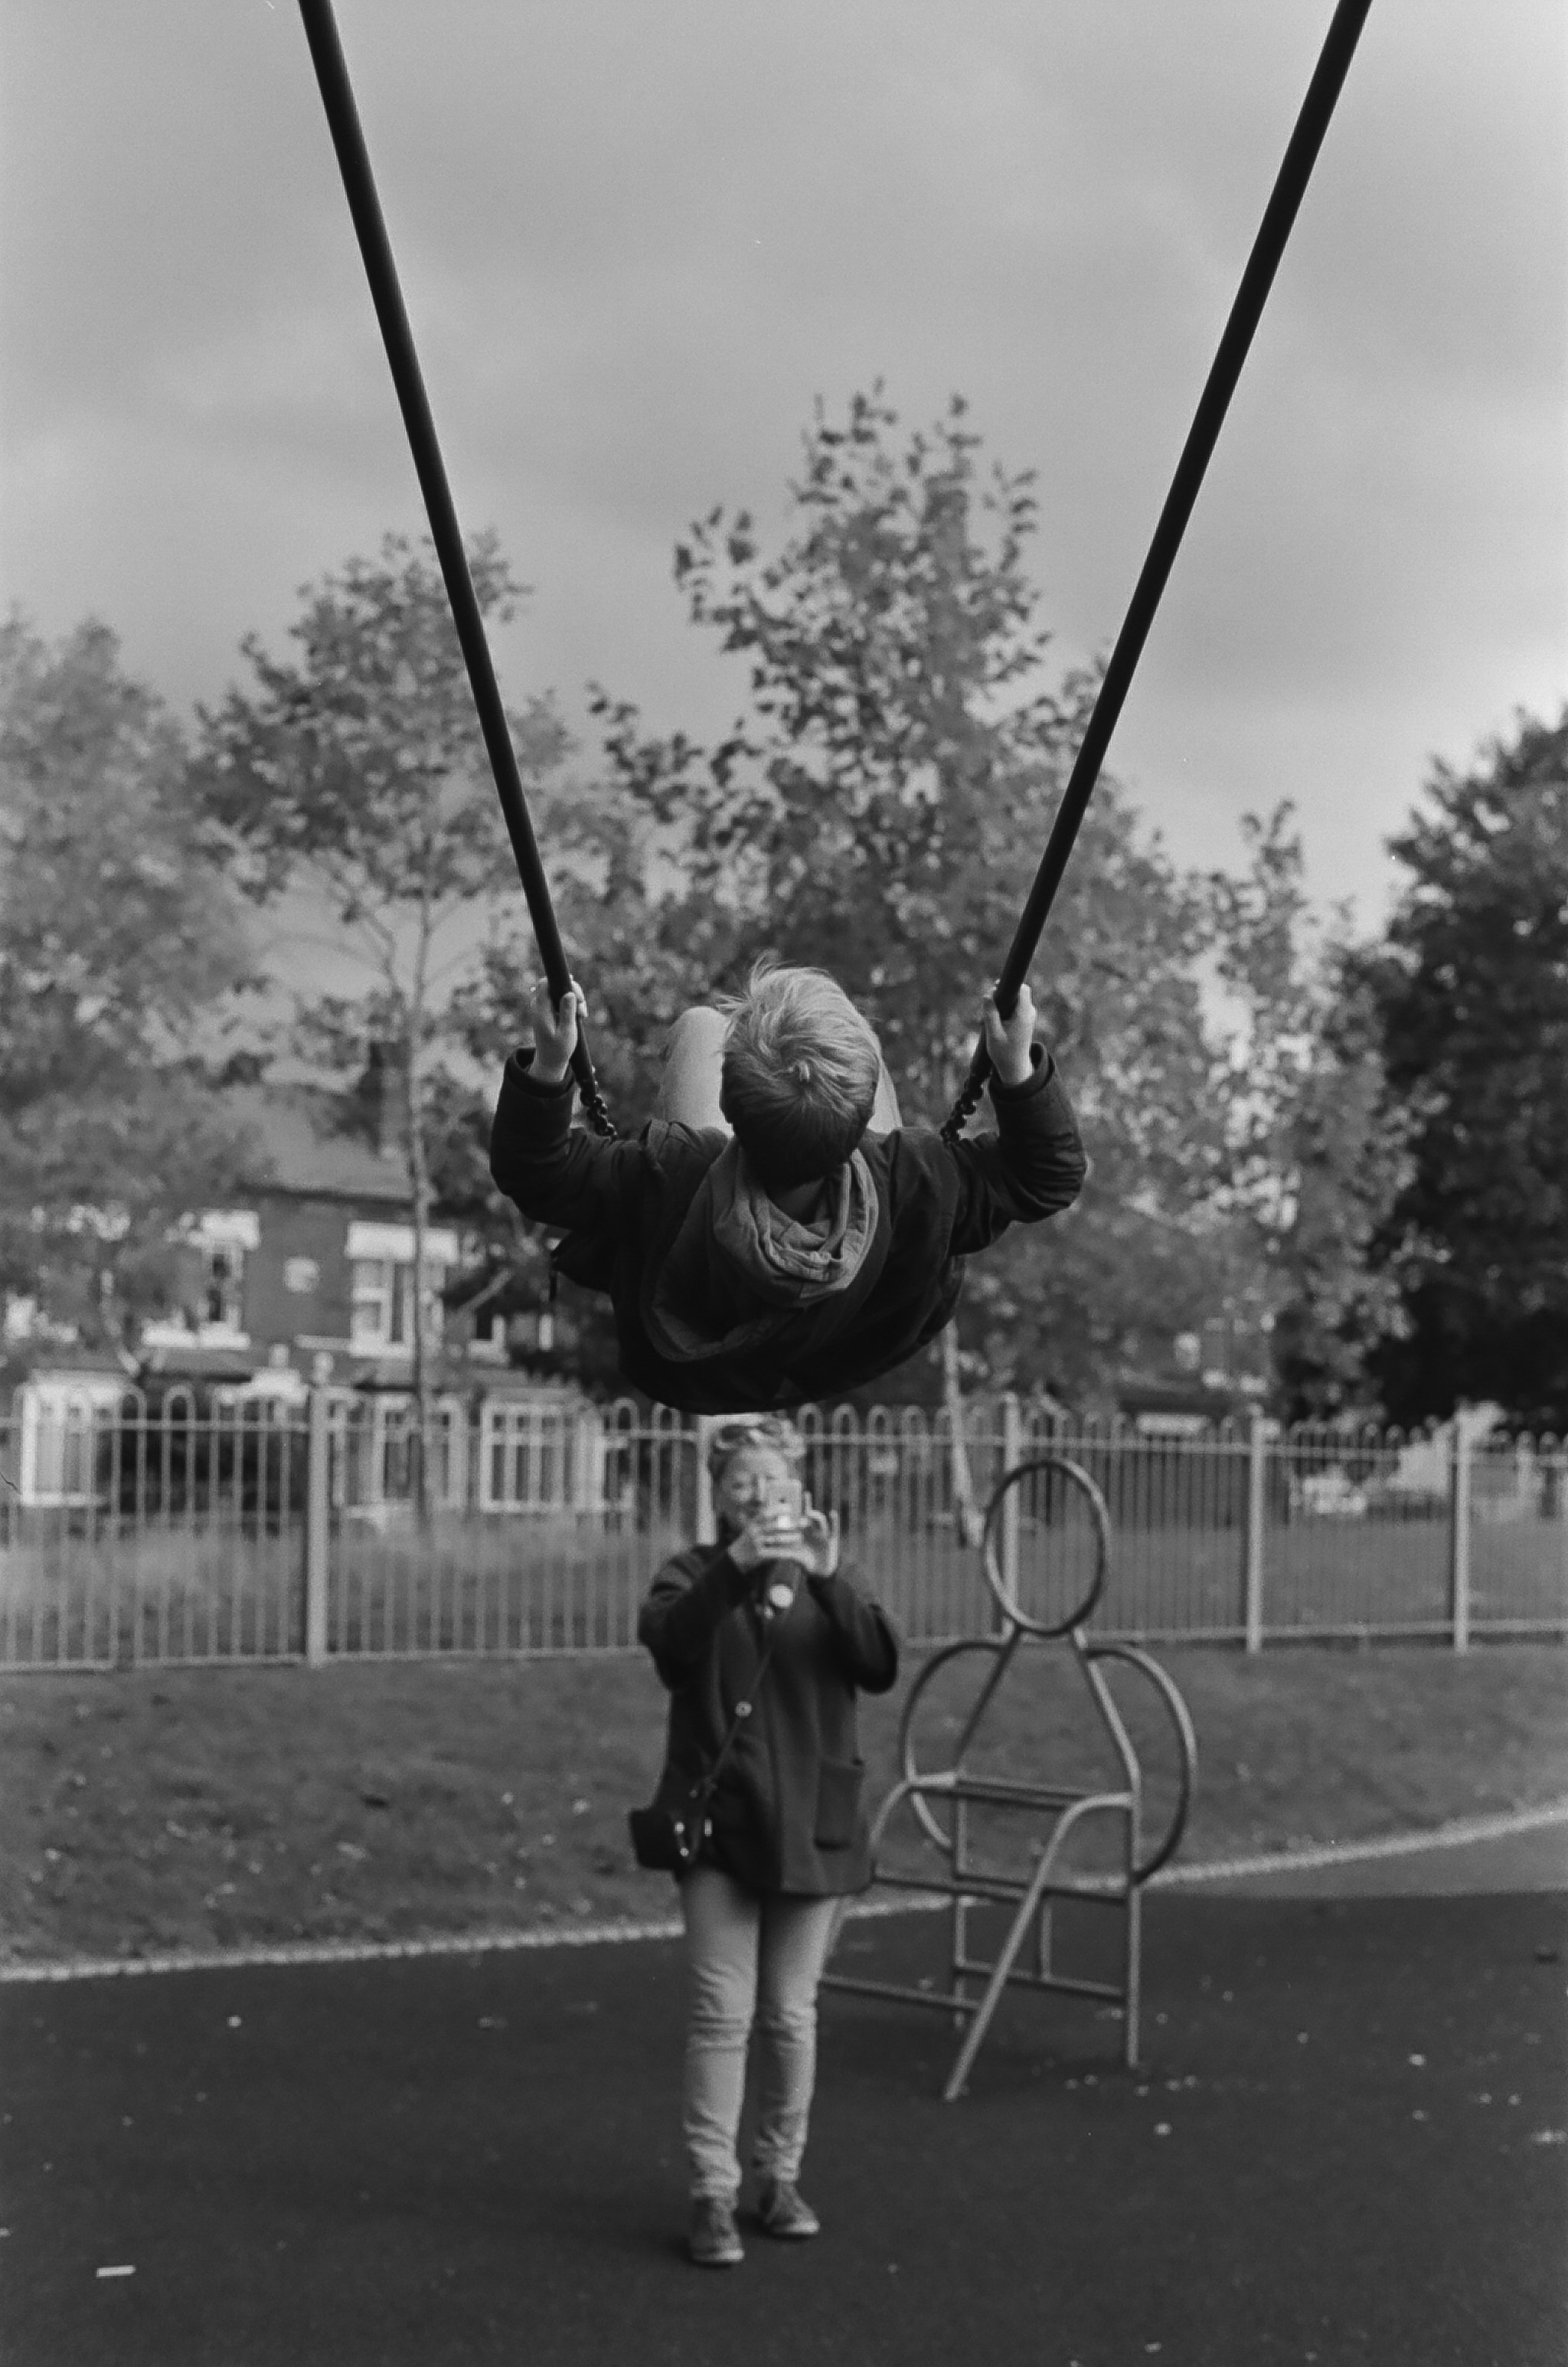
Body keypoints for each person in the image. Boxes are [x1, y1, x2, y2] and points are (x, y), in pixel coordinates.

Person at [488, 960, 1087, 1412]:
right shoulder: (914, 1181)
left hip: (695, 1369)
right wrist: (1015, 1066)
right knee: (854, 1042)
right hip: (848, 1346)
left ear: (727, 1104)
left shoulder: (673, 1173)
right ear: (863, 1117)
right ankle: (837, 1068)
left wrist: (550, 1062)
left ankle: (773, 1057)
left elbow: (535, 1169)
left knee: (701, 1025)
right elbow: (1049, 1173)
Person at [636, 1414, 899, 2267]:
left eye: (771, 1479)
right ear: (718, 1496)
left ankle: (779, 2176)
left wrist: (830, 1576)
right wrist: (734, 1569)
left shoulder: (828, 1571)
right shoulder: (690, 1573)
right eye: (740, 1481)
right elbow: (671, 1649)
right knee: (721, 2012)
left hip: (812, 1824)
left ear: (798, 1486)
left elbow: (879, 1663)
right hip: (722, 1824)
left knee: (789, 2014)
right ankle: (712, 2192)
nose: (757, 1494)